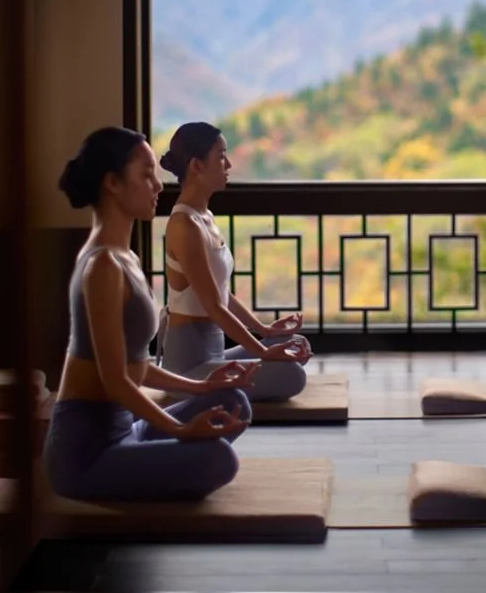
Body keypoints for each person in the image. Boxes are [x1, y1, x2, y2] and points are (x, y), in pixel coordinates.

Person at [42, 126, 259, 502]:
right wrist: (180, 429)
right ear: (112, 183)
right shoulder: (103, 266)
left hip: (129, 430)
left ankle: (159, 458)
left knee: (233, 400)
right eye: (145, 175)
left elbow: (135, 366)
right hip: (89, 453)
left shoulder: (124, 257)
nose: (158, 185)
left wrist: (204, 387)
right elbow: (116, 381)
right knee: (218, 459)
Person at [156, 121, 314, 402]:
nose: (228, 163)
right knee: (291, 376)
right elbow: (214, 306)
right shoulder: (184, 225)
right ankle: (195, 388)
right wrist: (263, 352)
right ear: (197, 166)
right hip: (189, 369)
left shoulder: (205, 218)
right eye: (220, 155)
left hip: (216, 355)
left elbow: (220, 293)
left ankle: (263, 353)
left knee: (295, 343)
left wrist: (265, 331)